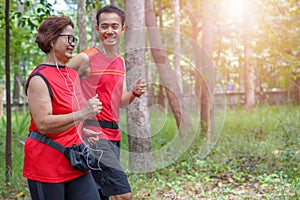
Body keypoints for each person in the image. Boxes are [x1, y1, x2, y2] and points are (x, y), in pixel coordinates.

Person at [69, 5, 147, 200]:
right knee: (123, 194)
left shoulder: (119, 62)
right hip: (94, 134)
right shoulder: (85, 58)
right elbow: (58, 85)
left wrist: (134, 93)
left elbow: (118, 101)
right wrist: (78, 125)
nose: (109, 31)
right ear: (97, 29)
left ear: (123, 29)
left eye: (114, 26)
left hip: (114, 134)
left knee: (102, 193)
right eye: (104, 26)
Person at [23, 16, 102, 200]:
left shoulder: (71, 75)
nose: (73, 44)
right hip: (46, 164)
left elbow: (66, 113)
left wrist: (82, 130)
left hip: (75, 161)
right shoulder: (38, 79)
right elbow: (43, 124)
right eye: (69, 38)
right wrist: (83, 113)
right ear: (51, 40)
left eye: (74, 39)